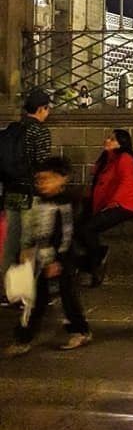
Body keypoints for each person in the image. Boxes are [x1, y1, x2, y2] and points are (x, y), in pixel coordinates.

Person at [4, 156, 91, 355]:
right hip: (41, 258)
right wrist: (26, 251)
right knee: (35, 299)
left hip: (60, 259)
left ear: (62, 179)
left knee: (67, 296)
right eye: (39, 180)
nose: (42, 184)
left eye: (48, 179)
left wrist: (57, 260)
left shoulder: (64, 204)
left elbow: (66, 234)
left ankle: (80, 330)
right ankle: (23, 337)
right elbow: (35, 230)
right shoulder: (39, 202)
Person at [1, 90, 52, 304]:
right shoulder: (39, 131)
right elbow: (42, 164)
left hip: (11, 191)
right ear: (41, 109)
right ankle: (24, 293)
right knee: (28, 242)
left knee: (11, 243)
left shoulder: (12, 129)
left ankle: (5, 292)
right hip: (31, 193)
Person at [77, 129, 133, 287]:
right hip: (104, 204)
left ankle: (95, 264)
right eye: (108, 138)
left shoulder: (125, 158)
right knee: (78, 229)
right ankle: (94, 260)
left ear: (121, 143)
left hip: (122, 205)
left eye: (112, 139)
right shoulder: (106, 159)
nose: (107, 140)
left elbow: (126, 182)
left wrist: (113, 203)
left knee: (88, 229)